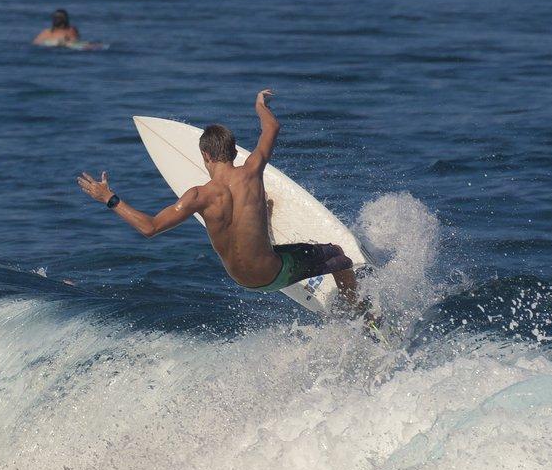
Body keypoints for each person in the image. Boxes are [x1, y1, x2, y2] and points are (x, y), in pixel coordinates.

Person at [77, 89, 362, 307]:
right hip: (273, 273)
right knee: (338, 256)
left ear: (205, 156)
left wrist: (110, 198)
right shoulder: (251, 172)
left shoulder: (198, 196)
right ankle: (355, 312)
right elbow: (272, 128)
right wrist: (260, 105)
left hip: (240, 279)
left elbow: (149, 228)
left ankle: (263, 218)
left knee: (255, 215)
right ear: (235, 151)